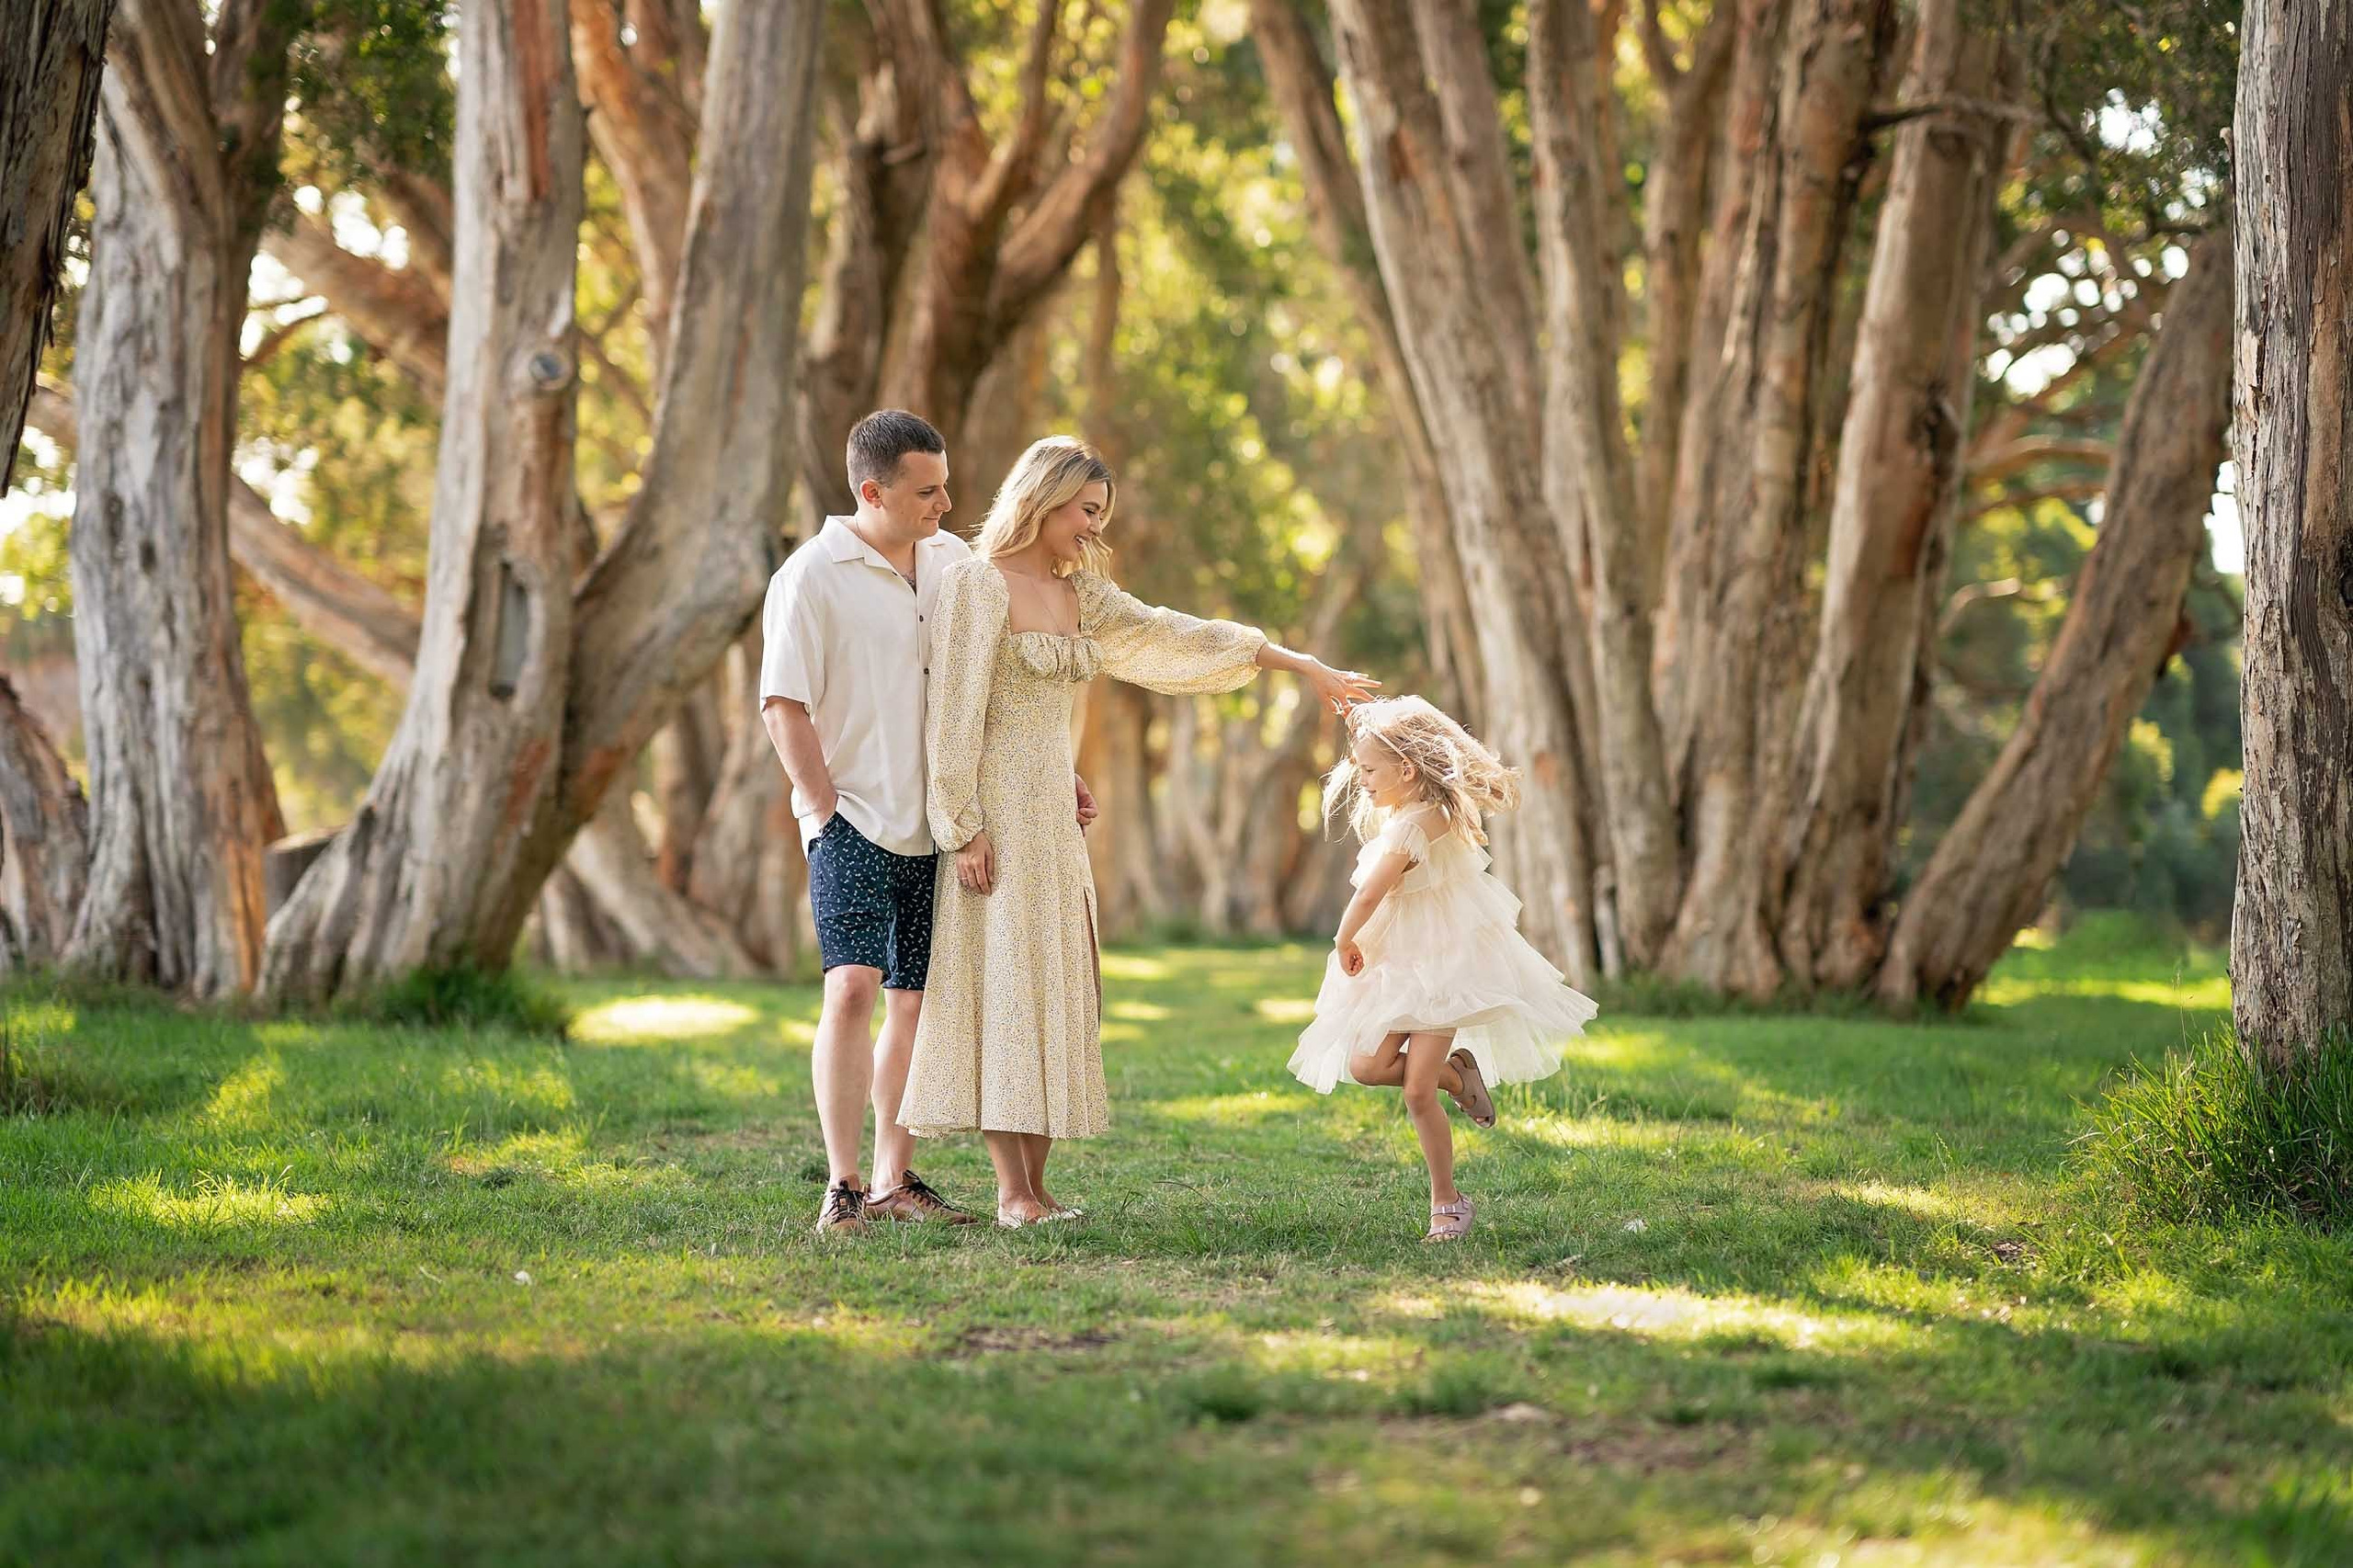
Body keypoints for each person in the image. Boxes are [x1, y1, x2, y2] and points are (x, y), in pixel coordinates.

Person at [898, 435, 1378, 1226]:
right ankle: (1011, 1192)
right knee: (1006, 992)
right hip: (995, 820)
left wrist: (1302, 666)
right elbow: (953, 714)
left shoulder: (1084, 594)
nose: (1094, 528)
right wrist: (963, 828)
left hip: (1055, 816)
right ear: (1046, 499)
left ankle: (1040, 1187)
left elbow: (1173, 632)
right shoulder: (977, 586)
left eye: (1101, 514)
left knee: (1060, 990)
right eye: (1086, 511)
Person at [759, 410, 1097, 1236]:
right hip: (855, 820)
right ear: (872, 492)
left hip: (947, 828)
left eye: (945, 485)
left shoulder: (954, 565)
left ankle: (892, 1179)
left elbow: (994, 688)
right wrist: (821, 806)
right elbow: (783, 705)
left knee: (916, 1005)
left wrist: (1053, 769)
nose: (947, 503)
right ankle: (842, 1187)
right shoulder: (812, 576)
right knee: (851, 990)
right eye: (928, 490)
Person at [1286, 696, 1598, 1242]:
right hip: (1397, 963)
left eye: (1368, 770)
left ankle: (1447, 1202)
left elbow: (1369, 895)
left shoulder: (1415, 828)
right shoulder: (1422, 815)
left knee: (1415, 1092)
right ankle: (1459, 1073)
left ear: (1406, 770)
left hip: (1442, 968)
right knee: (1366, 1065)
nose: (1361, 780)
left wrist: (1342, 938)